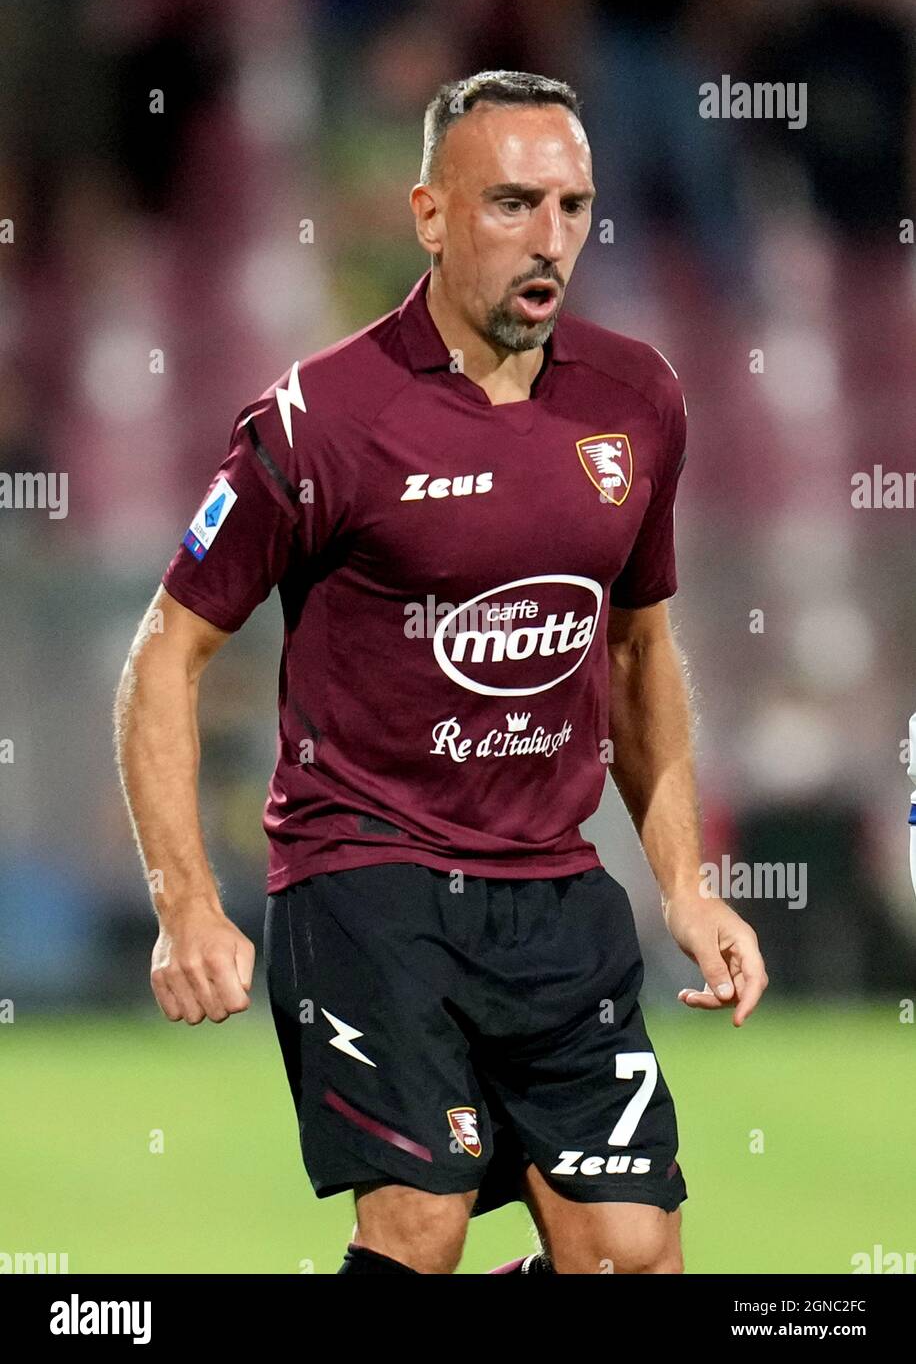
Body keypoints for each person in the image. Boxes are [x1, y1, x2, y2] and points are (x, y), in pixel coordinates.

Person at [115, 70, 768, 1276]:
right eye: (512, 203)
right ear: (427, 214)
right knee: (419, 1227)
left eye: (572, 207)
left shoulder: (639, 403)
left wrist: (684, 884)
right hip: (367, 879)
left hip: (554, 894)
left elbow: (635, 649)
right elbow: (164, 655)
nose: (551, 240)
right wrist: (184, 903)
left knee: (629, 1252)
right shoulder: (317, 422)